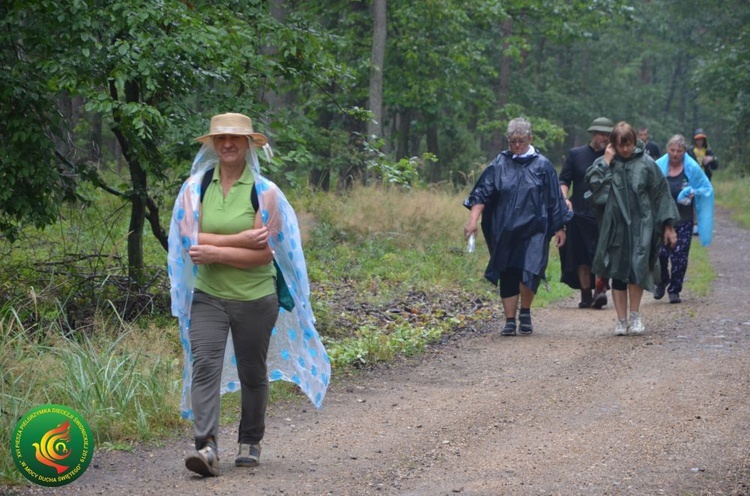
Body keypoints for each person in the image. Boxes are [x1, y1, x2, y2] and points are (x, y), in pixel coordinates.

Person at [167, 113, 330, 477]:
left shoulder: (265, 193)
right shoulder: (194, 189)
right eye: (221, 138)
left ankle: (250, 440)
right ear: (212, 143)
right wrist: (239, 239)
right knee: (204, 365)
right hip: (207, 295)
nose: (227, 144)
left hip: (256, 298)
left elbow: (263, 253)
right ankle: (206, 447)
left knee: (252, 372)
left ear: (248, 145)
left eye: (236, 139)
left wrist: (214, 250)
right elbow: (187, 240)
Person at [464, 117, 572, 337]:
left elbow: (555, 199)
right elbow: (482, 193)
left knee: (530, 269)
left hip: (535, 229)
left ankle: (525, 311)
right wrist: (473, 220)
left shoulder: (543, 165)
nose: (517, 146)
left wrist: (560, 227)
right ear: (508, 140)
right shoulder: (499, 164)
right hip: (504, 229)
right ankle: (510, 320)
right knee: (508, 271)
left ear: (530, 139)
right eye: (513, 141)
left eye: (521, 141)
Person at [584, 121, 679, 336]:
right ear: (613, 145)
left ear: (634, 142)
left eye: (628, 144)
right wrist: (606, 162)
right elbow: (593, 186)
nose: (625, 149)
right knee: (617, 272)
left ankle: (635, 316)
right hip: (615, 226)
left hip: (641, 225)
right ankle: (621, 320)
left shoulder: (647, 164)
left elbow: (661, 193)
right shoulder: (608, 162)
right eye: (620, 145)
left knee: (637, 268)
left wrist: (668, 225)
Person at [559, 117, 613, 309]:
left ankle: (600, 290)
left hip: (605, 213)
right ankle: (585, 294)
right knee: (580, 256)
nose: (604, 138)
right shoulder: (576, 154)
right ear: (593, 134)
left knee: (602, 253)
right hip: (579, 212)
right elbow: (564, 180)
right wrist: (564, 199)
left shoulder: (614, 157)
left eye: (608, 134)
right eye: (601, 134)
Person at [654, 134, 714, 303]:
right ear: (667, 150)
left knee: (679, 256)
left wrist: (694, 192)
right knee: (661, 254)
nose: (675, 154)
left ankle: (674, 290)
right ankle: (662, 280)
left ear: (684, 151)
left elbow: (706, 188)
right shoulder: (659, 166)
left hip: (684, 218)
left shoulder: (692, 167)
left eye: (679, 151)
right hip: (662, 218)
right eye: (672, 150)